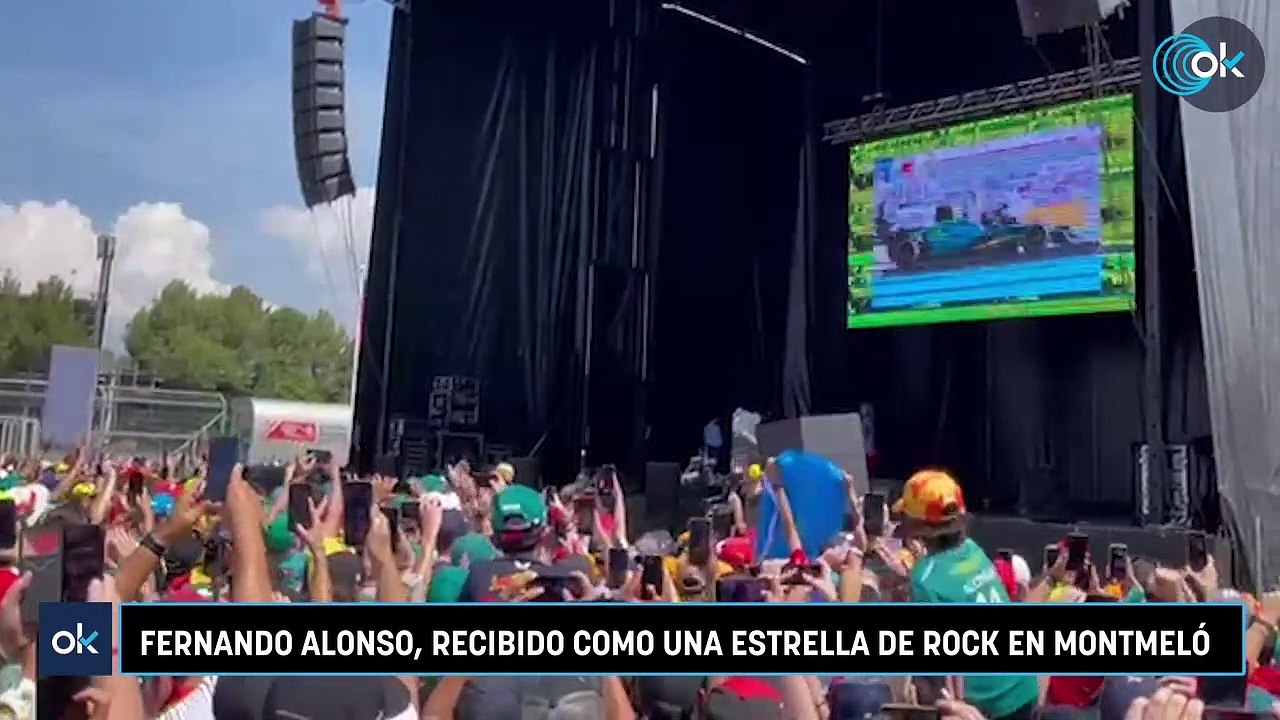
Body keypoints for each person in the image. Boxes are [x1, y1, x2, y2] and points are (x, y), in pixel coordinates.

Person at [895, 469, 1040, 720]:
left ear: (919, 525)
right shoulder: (973, 549)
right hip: (1024, 687)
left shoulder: (924, 579)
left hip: (989, 703)